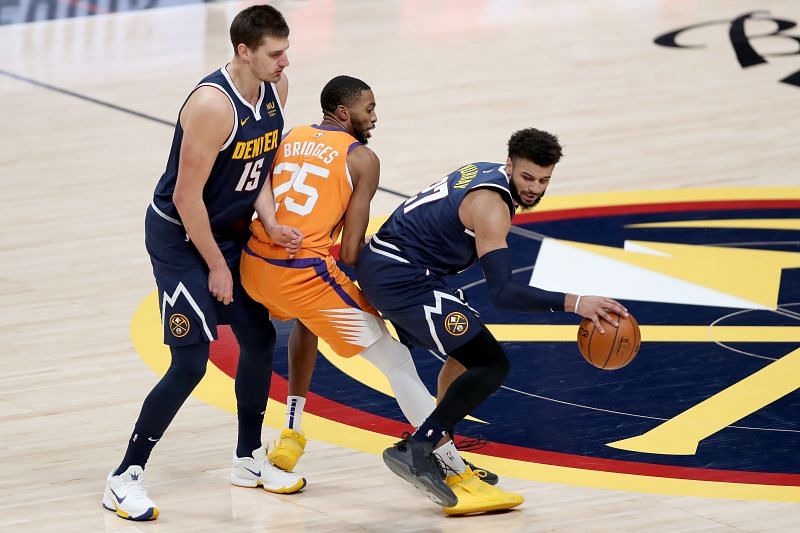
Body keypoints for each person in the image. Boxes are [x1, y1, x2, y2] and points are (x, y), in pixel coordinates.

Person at [240, 75, 515, 515]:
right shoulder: (362, 158)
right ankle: (448, 464)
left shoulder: (292, 136)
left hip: (255, 263)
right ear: (345, 113)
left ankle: (291, 431)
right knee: (397, 359)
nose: (375, 117)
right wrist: (387, 275)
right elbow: (350, 251)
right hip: (301, 274)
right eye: (369, 109)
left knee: (308, 321)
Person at [355, 128, 630, 512]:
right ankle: (418, 447)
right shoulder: (492, 207)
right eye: (527, 178)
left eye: (544, 180)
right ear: (510, 166)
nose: (534, 188)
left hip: (403, 266)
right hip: (400, 276)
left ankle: (441, 451)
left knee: (469, 353)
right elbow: (504, 292)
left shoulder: (485, 174)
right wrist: (577, 302)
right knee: (491, 362)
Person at [102, 5, 305, 522]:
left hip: (228, 233)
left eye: (285, 51)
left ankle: (246, 457)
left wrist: (273, 220)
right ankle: (124, 476)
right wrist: (216, 266)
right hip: (181, 239)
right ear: (244, 51)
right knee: (191, 362)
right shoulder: (214, 106)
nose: (285, 62)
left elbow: (257, 170)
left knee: (259, 339)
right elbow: (188, 198)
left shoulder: (276, 90)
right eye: (275, 53)